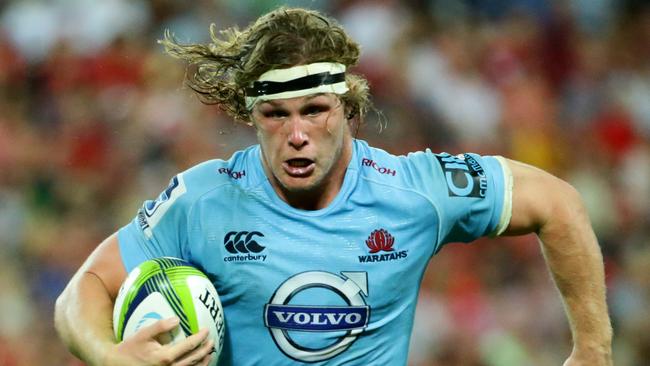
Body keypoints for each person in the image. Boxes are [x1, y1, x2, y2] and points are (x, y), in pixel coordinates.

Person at [54, 7, 612, 366]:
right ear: (251, 116)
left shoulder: (414, 191)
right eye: (275, 115)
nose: (296, 135)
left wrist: (593, 348)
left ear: (348, 108)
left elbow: (559, 204)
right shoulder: (202, 201)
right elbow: (83, 290)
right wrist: (110, 357)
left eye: (315, 110)